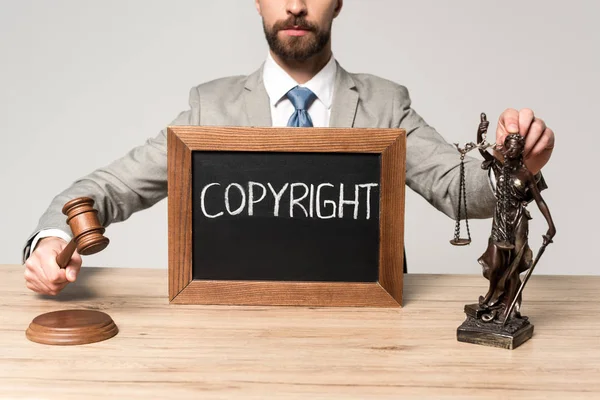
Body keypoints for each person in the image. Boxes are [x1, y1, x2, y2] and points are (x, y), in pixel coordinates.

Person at [22, 0, 556, 296]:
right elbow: (108, 189)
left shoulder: (384, 104)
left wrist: (517, 165)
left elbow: (460, 192)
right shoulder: (211, 108)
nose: (296, 7)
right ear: (257, 2)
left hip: (364, 335)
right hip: (235, 333)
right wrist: (49, 240)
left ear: (339, 3)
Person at [477, 131, 556, 322]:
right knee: (495, 264)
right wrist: (481, 130)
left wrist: (551, 225)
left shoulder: (526, 174)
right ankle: (491, 296)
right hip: (501, 219)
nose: (511, 149)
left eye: (515, 146)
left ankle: (509, 308)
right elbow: (482, 149)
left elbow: (539, 200)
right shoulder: (499, 167)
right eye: (509, 145)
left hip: (518, 220)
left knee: (514, 264)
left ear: (521, 150)